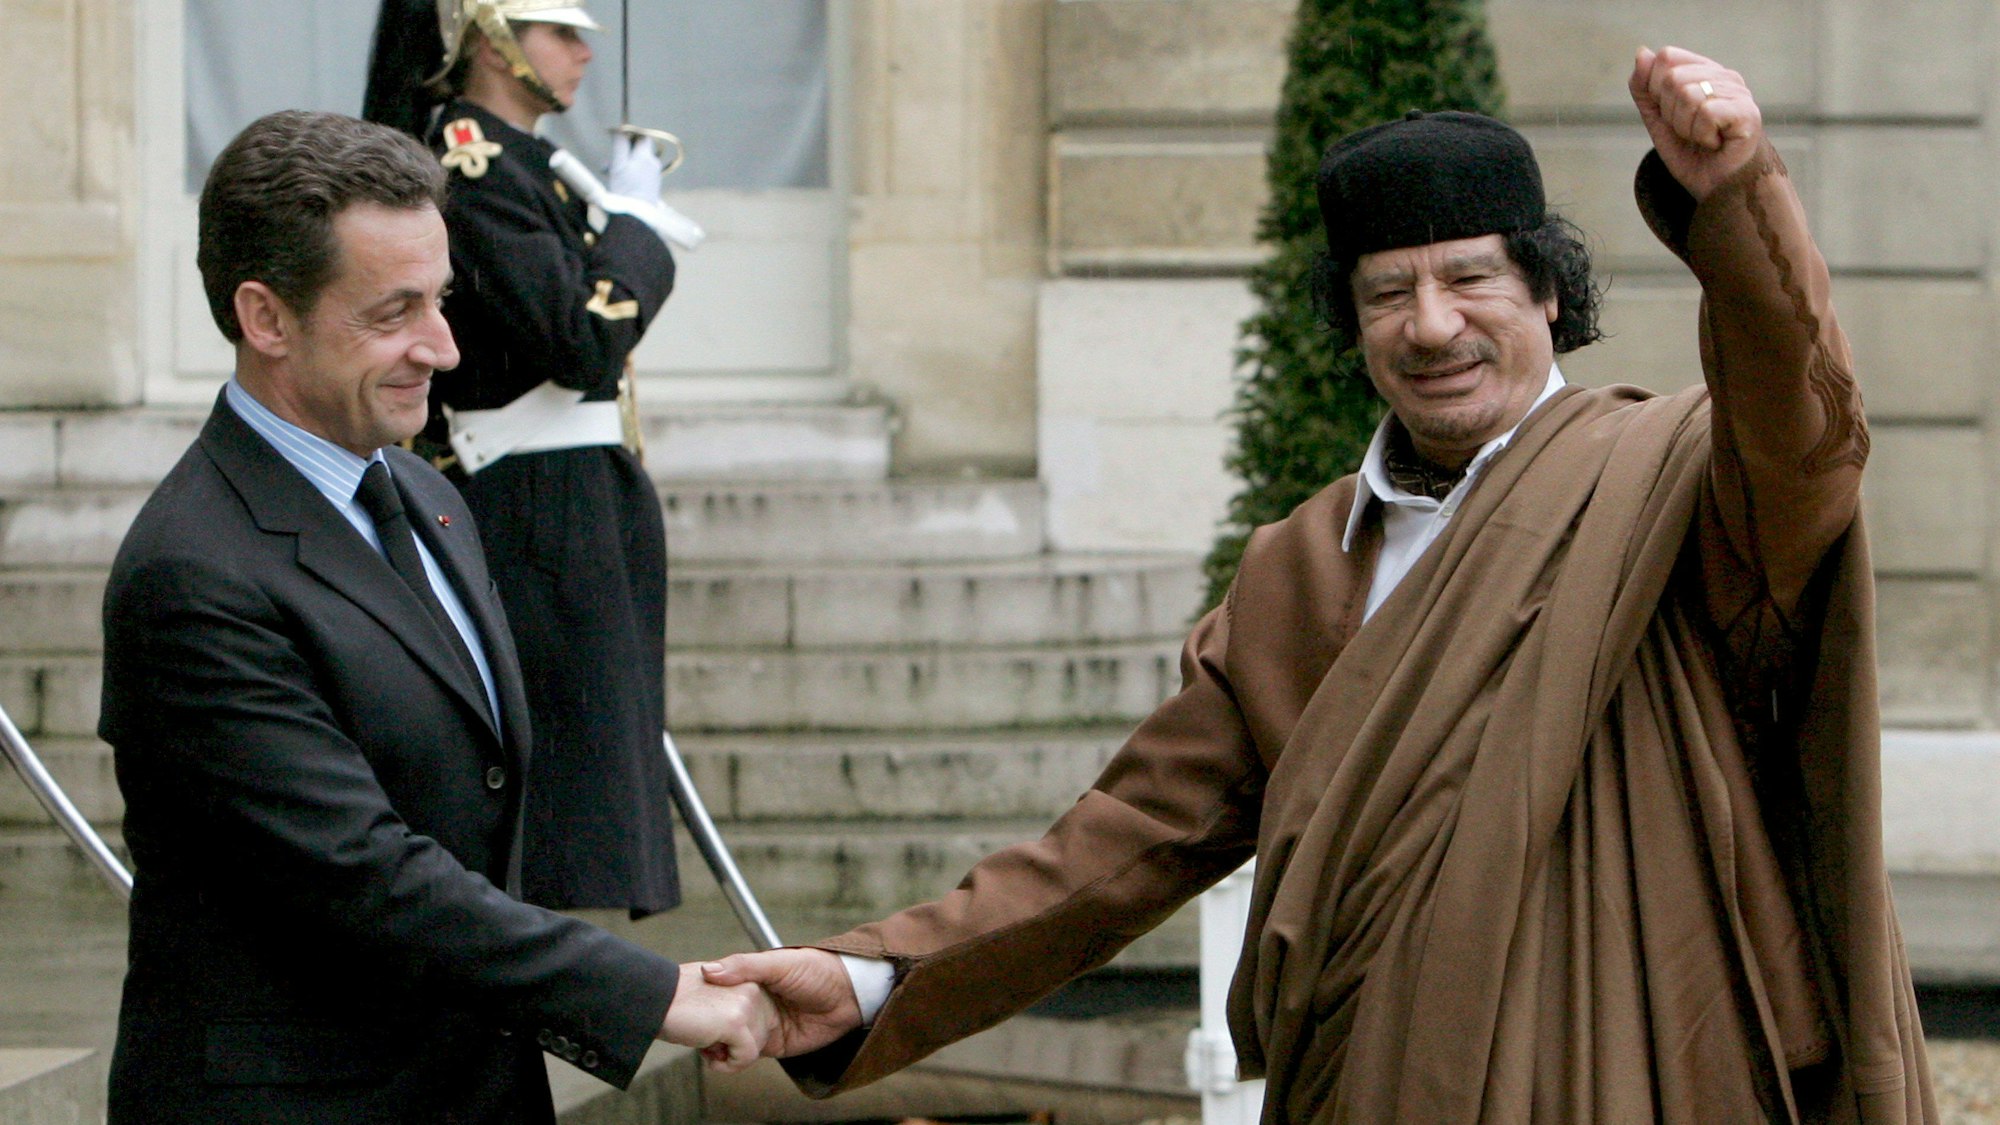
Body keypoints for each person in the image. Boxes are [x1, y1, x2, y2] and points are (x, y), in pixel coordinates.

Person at [702, 46, 1939, 1123]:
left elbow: (1803, 432)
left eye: (1468, 279)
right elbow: (1123, 844)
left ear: (1548, 295)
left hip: (1645, 1066)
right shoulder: (1300, 568)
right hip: (1377, 1083)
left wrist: (1737, 200)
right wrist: (872, 976)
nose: (1431, 324)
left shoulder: (1679, 483)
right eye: (1386, 293)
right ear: (1348, 328)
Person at [98, 109, 763, 1123]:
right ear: (265, 318)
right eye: (392, 312)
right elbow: (363, 872)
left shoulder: (432, 500)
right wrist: (658, 994)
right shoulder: (194, 573)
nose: (443, 349)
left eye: (443, 302)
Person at [362, 0, 684, 917]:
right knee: (552, 790)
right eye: (558, 31)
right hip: (531, 504)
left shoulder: (529, 162)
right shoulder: (472, 160)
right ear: (494, 38)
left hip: (575, 495)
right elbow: (578, 340)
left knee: (585, 773)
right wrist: (635, 231)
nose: (583, 50)